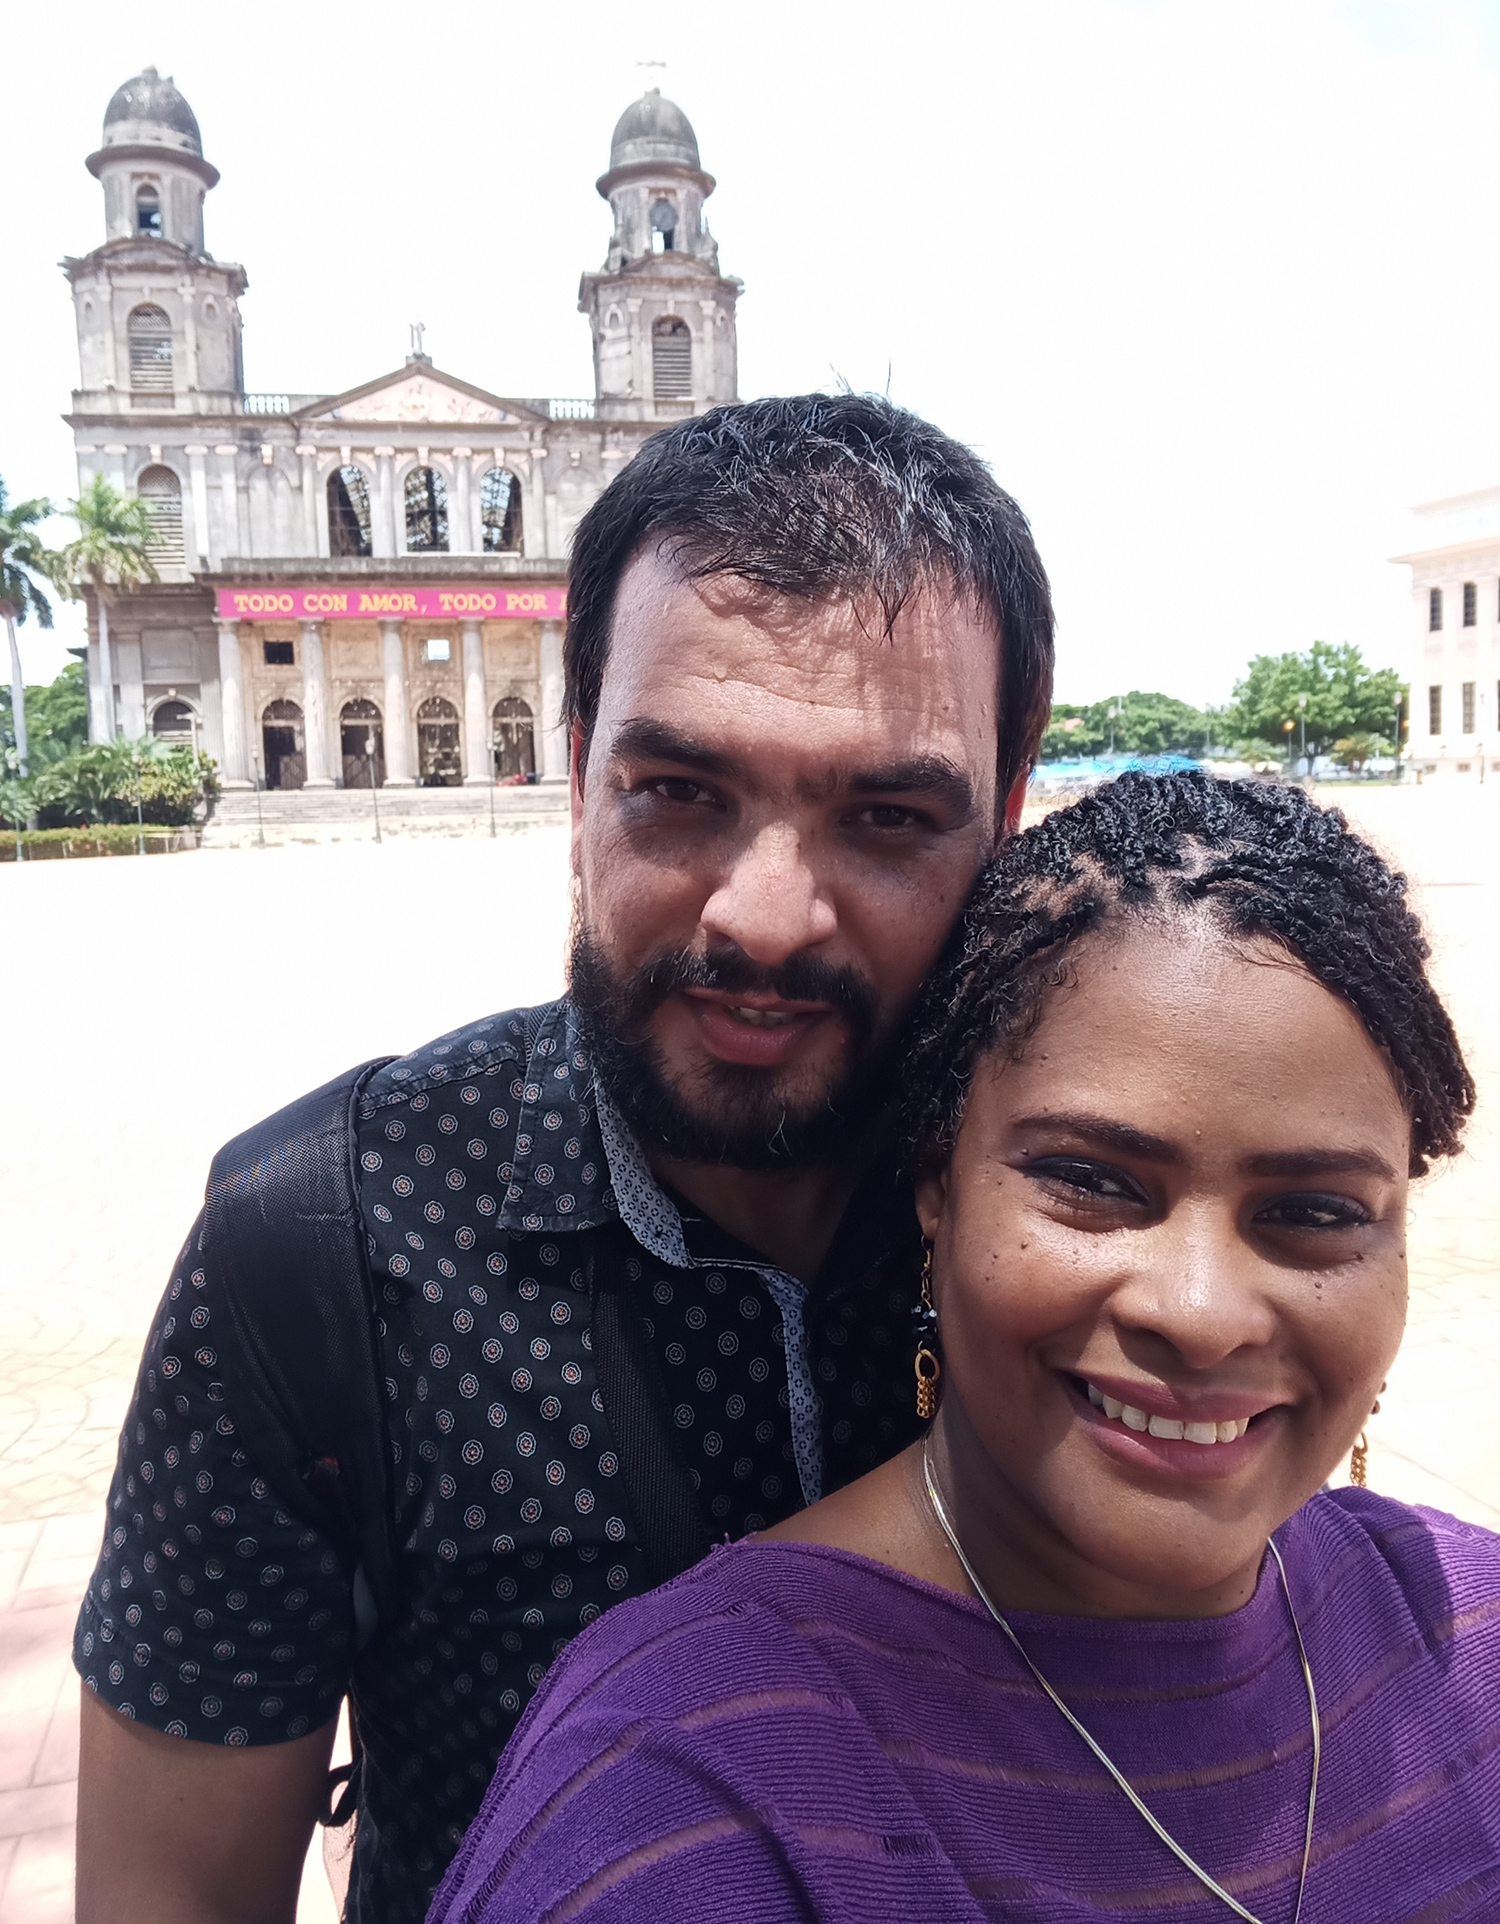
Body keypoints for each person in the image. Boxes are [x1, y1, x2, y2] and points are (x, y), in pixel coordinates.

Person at [73, 392, 1056, 1924]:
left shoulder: (1088, 1212)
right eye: (680, 794)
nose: (765, 915)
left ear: (1005, 815)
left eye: (886, 816)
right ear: (578, 767)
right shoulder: (316, 1249)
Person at [431, 771, 1499, 1924]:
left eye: (1317, 1211)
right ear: (938, 1186)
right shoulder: (686, 1789)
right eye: (1091, 1181)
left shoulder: (1469, 1641)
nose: (1200, 1311)